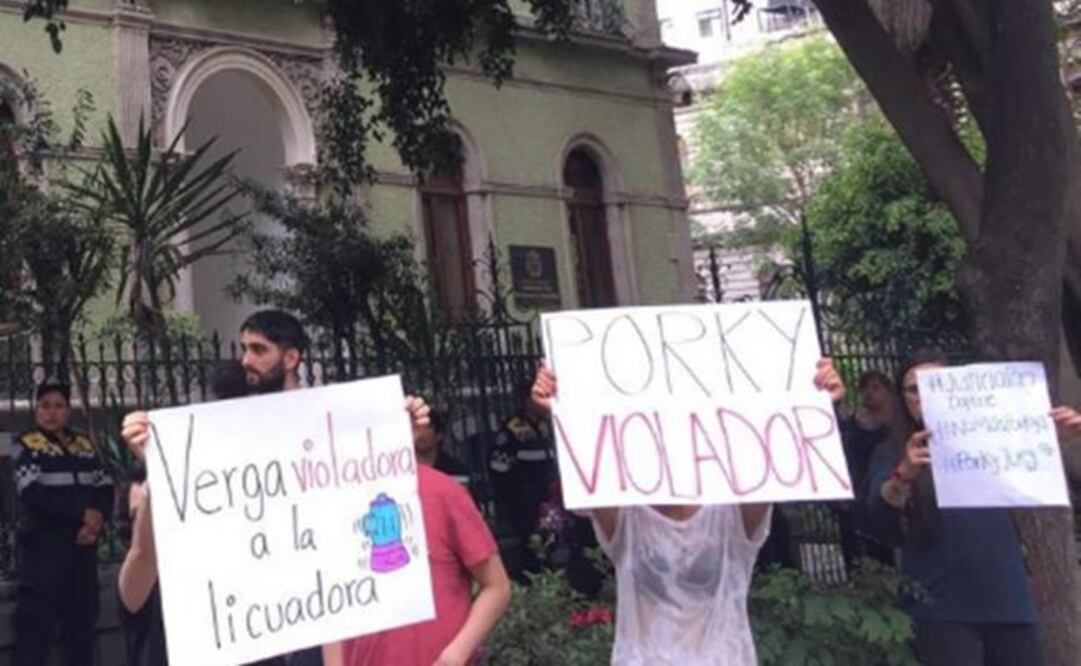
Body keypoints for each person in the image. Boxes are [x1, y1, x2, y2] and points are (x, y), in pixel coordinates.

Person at [118, 310, 435, 666]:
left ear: (291, 357)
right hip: (246, 627)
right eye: (244, 349)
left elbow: (388, 500)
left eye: (258, 349)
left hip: (320, 616)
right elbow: (140, 576)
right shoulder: (222, 433)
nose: (245, 360)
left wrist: (402, 435)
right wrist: (160, 466)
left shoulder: (335, 426)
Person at [528, 358, 845, 665]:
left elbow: (774, 449)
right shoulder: (626, 514)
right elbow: (591, 452)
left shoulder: (731, 512)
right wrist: (560, 408)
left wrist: (816, 402)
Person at [865, 351, 1080, 666]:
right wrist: (904, 474)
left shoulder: (996, 437)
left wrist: (1058, 440)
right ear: (903, 398)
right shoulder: (893, 451)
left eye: (937, 384)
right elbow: (879, 513)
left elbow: (1036, 472)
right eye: (914, 388)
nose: (924, 395)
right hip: (942, 608)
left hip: (1008, 600)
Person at [321, 461, 512, 666]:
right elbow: (333, 606)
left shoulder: (442, 492)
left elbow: (497, 587)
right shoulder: (334, 501)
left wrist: (455, 654)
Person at [13, 382, 114, 666]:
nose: (51, 413)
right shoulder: (27, 444)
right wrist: (80, 513)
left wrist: (95, 520)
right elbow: (32, 493)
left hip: (82, 550)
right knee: (35, 631)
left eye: (58, 406)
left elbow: (104, 485)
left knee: (81, 628)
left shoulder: (84, 444)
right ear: (36, 410)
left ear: (68, 410)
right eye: (45, 406)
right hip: (43, 552)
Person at [488, 380, 558, 579]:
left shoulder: (543, 425)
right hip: (523, 499)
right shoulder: (513, 429)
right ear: (526, 400)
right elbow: (499, 469)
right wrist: (512, 498)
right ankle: (530, 577)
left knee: (550, 540)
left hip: (546, 496)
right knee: (529, 541)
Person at [836, 370, 897, 566]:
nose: (869, 393)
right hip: (858, 488)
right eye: (865, 388)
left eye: (876, 387)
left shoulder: (897, 424)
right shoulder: (856, 422)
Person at [416, 409, 471, 490]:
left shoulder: (455, 470)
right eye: (416, 428)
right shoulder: (402, 469)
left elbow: (459, 499)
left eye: (427, 428)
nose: (420, 434)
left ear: (439, 435)